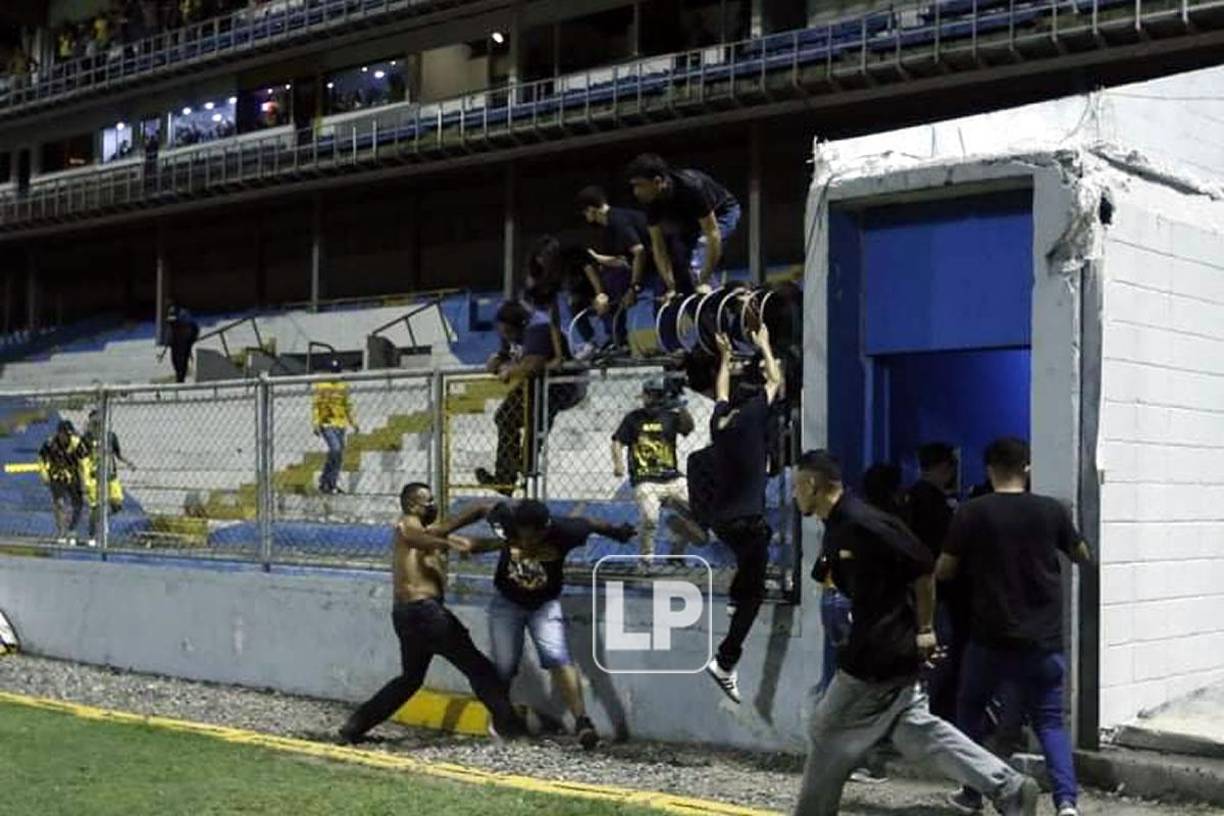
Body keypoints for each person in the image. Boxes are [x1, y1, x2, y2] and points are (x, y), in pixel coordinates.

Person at [790, 450, 1040, 816]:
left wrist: (925, 629)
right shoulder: (838, 523)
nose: (794, 494)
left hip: (879, 650)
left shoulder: (863, 521)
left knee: (826, 730)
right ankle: (1009, 787)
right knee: (914, 731)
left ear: (812, 485)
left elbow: (923, 565)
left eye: (797, 486)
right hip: (883, 645)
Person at [936, 438, 1092, 816]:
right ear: (1028, 468)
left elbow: (945, 569)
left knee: (969, 712)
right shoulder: (1050, 510)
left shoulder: (972, 512)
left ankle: (972, 793)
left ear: (989, 470)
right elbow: (1081, 554)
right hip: (1043, 639)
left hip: (989, 638)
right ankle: (1066, 803)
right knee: (1050, 723)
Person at [338, 484, 525, 744]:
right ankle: (512, 729)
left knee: (410, 679)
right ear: (412, 505)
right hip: (426, 613)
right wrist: (450, 543)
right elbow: (417, 536)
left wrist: (493, 528)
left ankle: (354, 727)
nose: (433, 505)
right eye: (428, 502)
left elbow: (463, 536)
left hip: (407, 615)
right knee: (479, 668)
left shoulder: (427, 532)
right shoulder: (407, 525)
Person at [463, 500, 635, 750]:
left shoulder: (565, 530)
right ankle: (502, 716)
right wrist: (445, 529)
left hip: (544, 604)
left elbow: (591, 523)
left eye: (534, 537)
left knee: (558, 657)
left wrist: (617, 532)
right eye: (522, 536)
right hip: (507, 602)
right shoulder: (506, 521)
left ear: (545, 529)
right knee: (505, 665)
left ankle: (582, 723)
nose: (527, 541)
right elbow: (481, 508)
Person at [686, 325, 781, 704]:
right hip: (747, 519)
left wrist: (725, 358)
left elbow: (721, 391)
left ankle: (734, 596)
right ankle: (726, 660)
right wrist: (765, 344)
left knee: (753, 556)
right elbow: (775, 379)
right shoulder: (755, 416)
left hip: (723, 520)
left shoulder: (720, 422)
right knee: (754, 596)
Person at [475, 299, 584, 495]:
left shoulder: (539, 329)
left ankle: (528, 463)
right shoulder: (516, 334)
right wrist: (498, 361)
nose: (504, 335)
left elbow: (532, 365)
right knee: (505, 417)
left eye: (507, 331)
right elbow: (506, 357)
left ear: (518, 325)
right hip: (537, 384)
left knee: (536, 414)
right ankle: (505, 479)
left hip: (562, 385)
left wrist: (510, 370)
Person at [611, 377, 705, 558]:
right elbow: (617, 441)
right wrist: (618, 464)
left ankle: (677, 550)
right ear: (645, 396)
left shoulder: (670, 416)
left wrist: (681, 406)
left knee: (700, 508)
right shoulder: (633, 418)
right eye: (651, 395)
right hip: (644, 478)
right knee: (650, 518)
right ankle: (646, 560)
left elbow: (688, 427)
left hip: (671, 476)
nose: (654, 399)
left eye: (658, 395)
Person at [625, 153, 741, 297]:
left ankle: (722, 298)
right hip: (691, 222)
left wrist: (704, 280)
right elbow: (658, 246)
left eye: (640, 185)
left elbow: (712, 234)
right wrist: (671, 286)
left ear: (657, 181)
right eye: (634, 186)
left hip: (721, 214)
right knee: (681, 272)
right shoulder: (651, 201)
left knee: (697, 263)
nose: (636, 192)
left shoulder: (691, 187)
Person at [906, 442, 963, 722]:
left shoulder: (909, 499)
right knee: (940, 659)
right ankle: (938, 717)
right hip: (938, 593)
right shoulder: (936, 505)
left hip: (916, 592)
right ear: (945, 468)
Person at [577, 185, 690, 313]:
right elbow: (623, 260)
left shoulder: (617, 221)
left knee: (665, 311)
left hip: (669, 261)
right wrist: (597, 258)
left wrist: (634, 287)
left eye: (584, 212)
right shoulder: (610, 224)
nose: (585, 216)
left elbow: (639, 251)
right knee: (613, 282)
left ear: (591, 209)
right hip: (654, 264)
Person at [81, 409, 136, 547]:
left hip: (110, 475)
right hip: (95, 477)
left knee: (117, 504)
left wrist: (128, 463)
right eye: (94, 422)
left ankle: (102, 517)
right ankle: (92, 535)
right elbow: (83, 460)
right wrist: (84, 481)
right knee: (95, 507)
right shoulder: (87, 438)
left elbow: (118, 454)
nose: (96, 424)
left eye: (99, 421)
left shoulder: (111, 436)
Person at [313, 359, 360, 495]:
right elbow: (316, 406)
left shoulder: (343, 386)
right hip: (327, 423)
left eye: (337, 372)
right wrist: (315, 423)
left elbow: (347, 405)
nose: (335, 375)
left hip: (340, 424)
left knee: (337, 455)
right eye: (332, 372)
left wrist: (353, 422)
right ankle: (326, 479)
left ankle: (329, 483)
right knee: (336, 449)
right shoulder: (321, 385)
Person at [39, 420, 87, 546]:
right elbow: (41, 458)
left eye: (69, 434)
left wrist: (84, 481)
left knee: (78, 504)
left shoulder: (77, 444)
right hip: (57, 475)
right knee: (59, 504)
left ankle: (72, 529)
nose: (67, 437)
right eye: (65, 434)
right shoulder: (50, 443)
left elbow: (84, 463)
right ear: (59, 433)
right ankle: (61, 532)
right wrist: (44, 473)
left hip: (73, 476)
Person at [163, 304, 199, 383]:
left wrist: (191, 340)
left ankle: (180, 379)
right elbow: (170, 331)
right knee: (175, 361)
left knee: (182, 363)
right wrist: (168, 341)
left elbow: (194, 329)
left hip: (184, 343)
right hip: (175, 343)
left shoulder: (186, 320)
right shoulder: (172, 322)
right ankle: (179, 378)